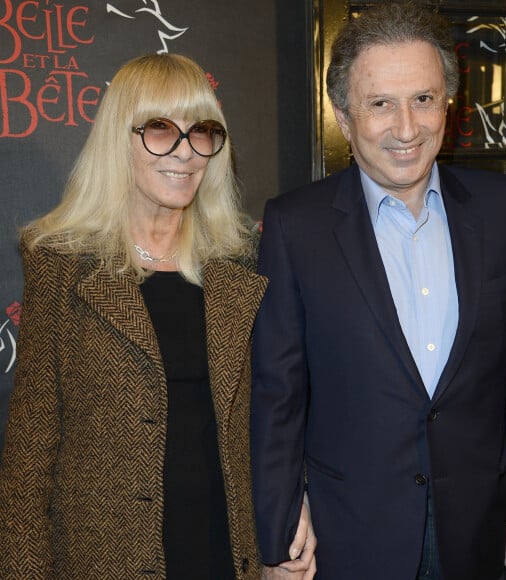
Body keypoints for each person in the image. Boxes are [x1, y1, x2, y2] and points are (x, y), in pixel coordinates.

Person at [250, 3, 506, 579]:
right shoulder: (296, 227)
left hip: (480, 527)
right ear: (344, 118)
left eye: (422, 98)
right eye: (380, 104)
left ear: (449, 103)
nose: (406, 128)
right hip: (348, 534)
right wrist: (279, 530)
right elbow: (277, 393)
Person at [0, 53, 315, 580]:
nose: (186, 152)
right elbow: (28, 459)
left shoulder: (241, 264)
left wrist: (283, 523)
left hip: (226, 549)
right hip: (104, 559)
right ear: (118, 139)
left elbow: (275, 414)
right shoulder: (61, 265)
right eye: (161, 129)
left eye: (203, 132)